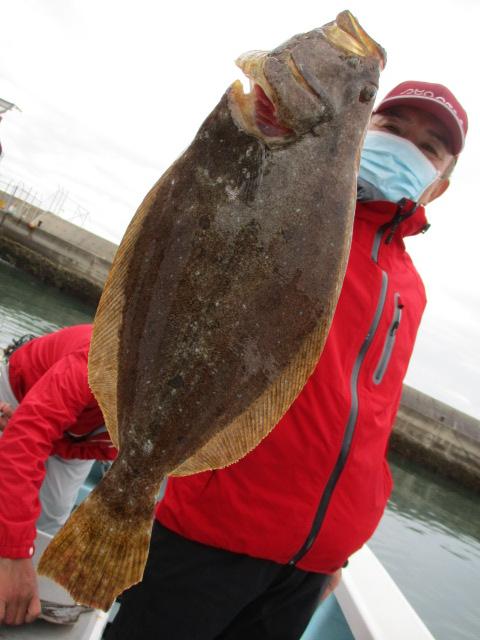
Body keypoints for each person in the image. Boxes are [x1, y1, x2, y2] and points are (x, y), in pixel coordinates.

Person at [103, 80, 468, 640]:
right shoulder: (299, 223)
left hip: (310, 564)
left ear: (439, 185)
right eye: (393, 129)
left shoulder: (409, 288)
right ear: (359, 133)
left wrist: (338, 549)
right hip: (211, 532)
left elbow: (371, 418)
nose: (407, 149)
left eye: (430, 147)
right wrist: (271, 127)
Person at [0, 324, 116, 626]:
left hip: (77, 440)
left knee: (50, 521)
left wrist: (55, 443)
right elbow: (25, 442)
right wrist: (13, 554)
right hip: (18, 394)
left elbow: (108, 452)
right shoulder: (99, 357)